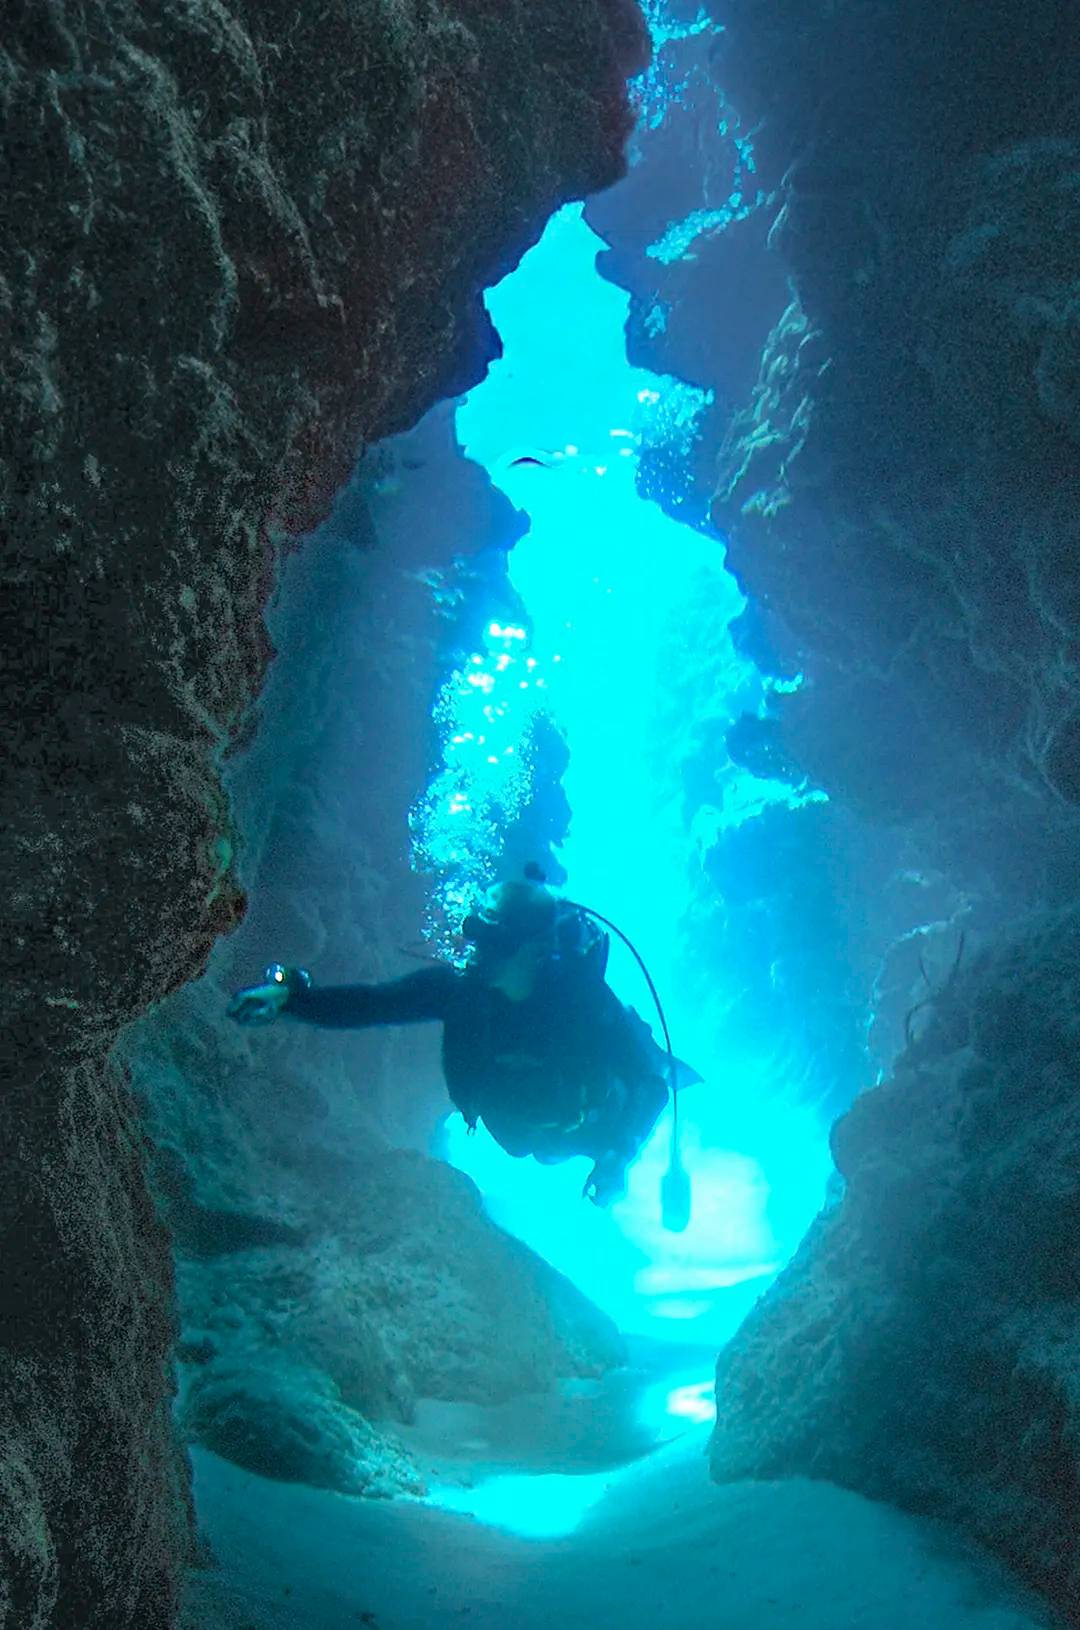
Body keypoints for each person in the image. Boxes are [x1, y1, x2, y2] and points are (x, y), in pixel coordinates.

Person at [227, 876, 697, 1205]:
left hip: (587, 1129)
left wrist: (620, 1158)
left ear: (533, 951)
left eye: (492, 945)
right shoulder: (460, 993)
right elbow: (371, 1005)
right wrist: (287, 999)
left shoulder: (583, 1001)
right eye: (475, 940)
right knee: (530, 1145)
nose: (475, 956)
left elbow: (650, 1087)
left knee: (639, 1077)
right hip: (514, 1127)